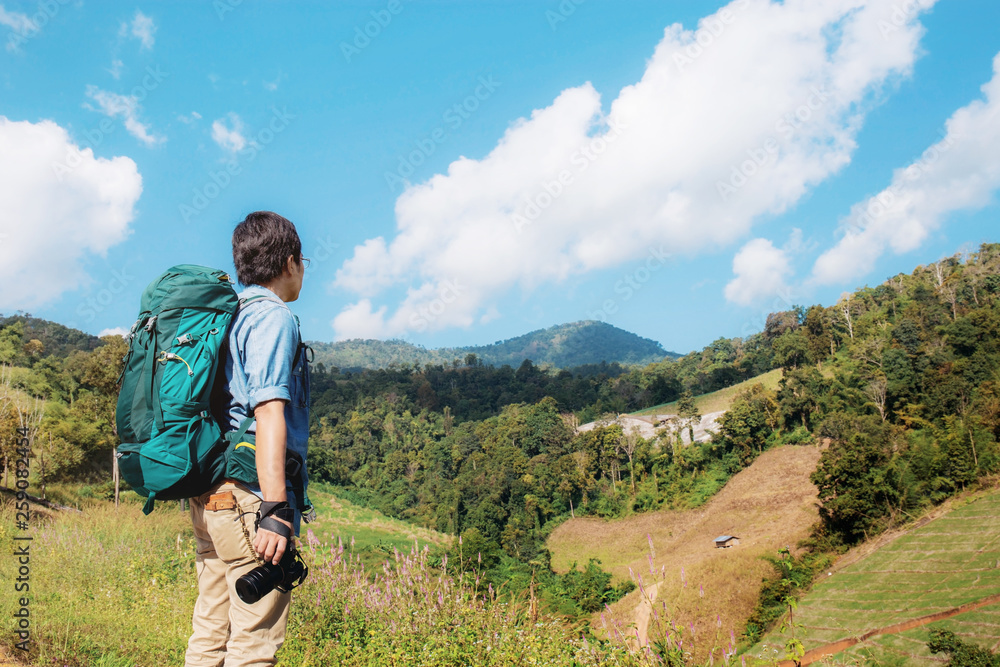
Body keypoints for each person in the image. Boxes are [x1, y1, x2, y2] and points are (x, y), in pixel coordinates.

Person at [184, 211, 312, 667]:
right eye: (304, 262)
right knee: (253, 644)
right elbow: (269, 411)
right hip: (248, 500)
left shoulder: (224, 317)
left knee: (211, 632)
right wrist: (275, 509)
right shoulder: (273, 318)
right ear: (291, 262)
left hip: (211, 495)